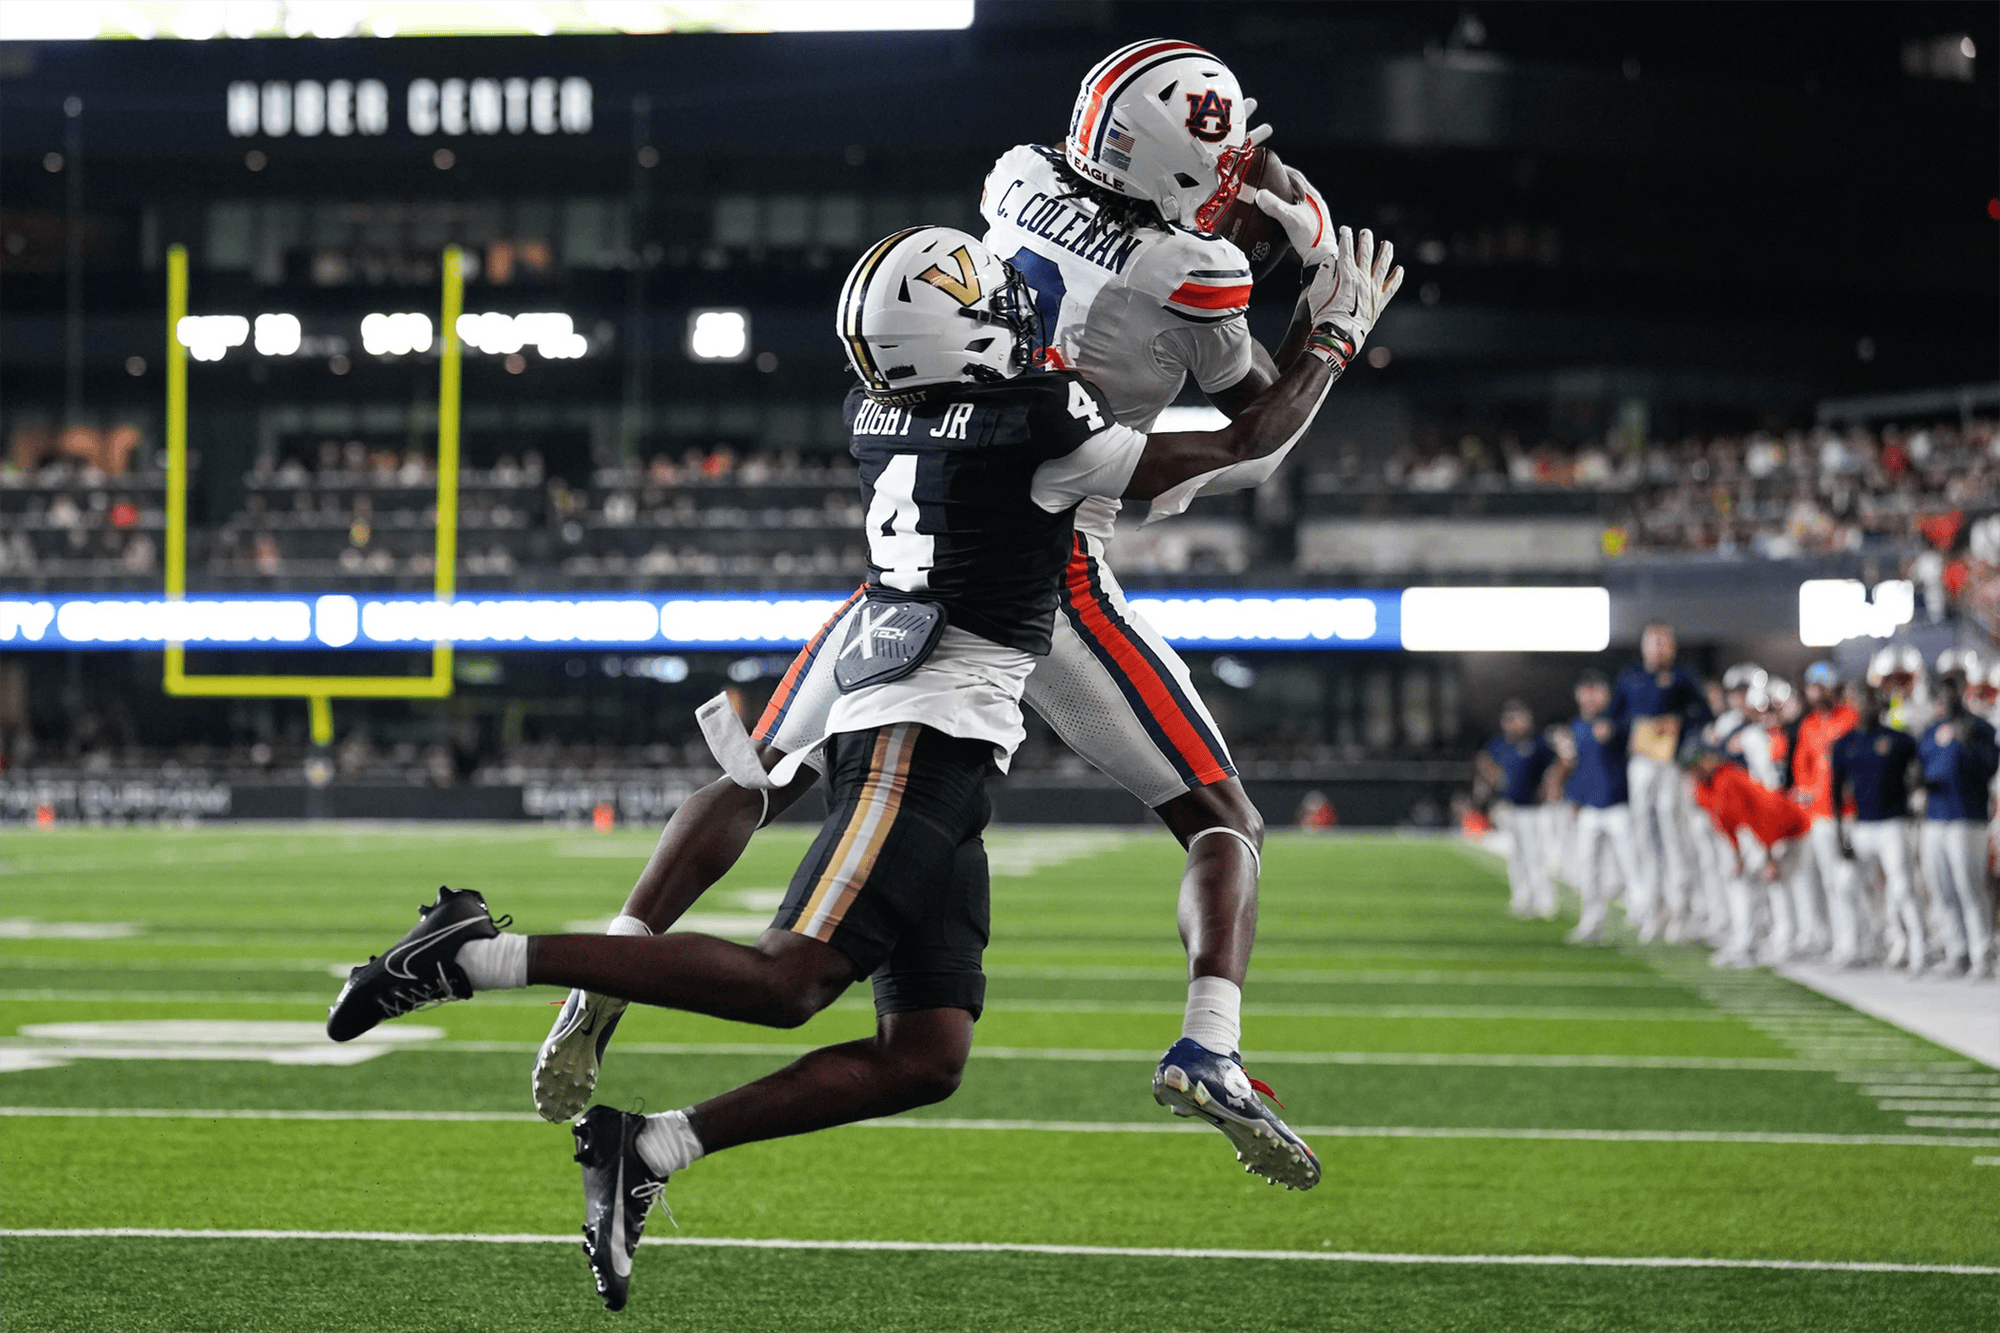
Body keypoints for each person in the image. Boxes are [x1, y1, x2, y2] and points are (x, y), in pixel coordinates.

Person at [326, 223, 1392, 1310]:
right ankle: (469, 957)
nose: (1012, 312)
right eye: (988, 308)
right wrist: (1331, 336)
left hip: (933, 723)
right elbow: (1243, 438)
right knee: (790, 980)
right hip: (913, 735)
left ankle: (647, 1150)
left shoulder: (877, 411)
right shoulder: (1035, 424)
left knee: (925, 1054)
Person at [531, 38, 1402, 1178]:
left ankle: (615, 958)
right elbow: (1253, 417)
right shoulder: (1195, 276)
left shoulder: (1016, 178)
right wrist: (1326, 313)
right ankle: (1211, 1044)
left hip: (935, 514)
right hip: (1053, 545)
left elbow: (1196, 191)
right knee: (1221, 817)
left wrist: (1246, 188)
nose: (1242, 164)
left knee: (757, 771)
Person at [1609, 622, 1714, 941]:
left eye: (1662, 642)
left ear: (1672, 646)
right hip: (1641, 761)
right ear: (1643, 647)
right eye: (1652, 642)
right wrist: (1631, 729)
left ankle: (1683, 910)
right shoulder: (1630, 677)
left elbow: (1705, 713)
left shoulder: (1683, 677)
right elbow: (1614, 717)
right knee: (1643, 835)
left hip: (1669, 763)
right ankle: (1651, 908)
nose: (1657, 648)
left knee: (1674, 832)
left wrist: (1677, 722)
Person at [1684, 744, 1813, 967]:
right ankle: (1751, 943)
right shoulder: (1703, 788)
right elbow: (1725, 825)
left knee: (1776, 886)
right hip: (1763, 833)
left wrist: (1769, 857)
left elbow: (1758, 817)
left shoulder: (1727, 779)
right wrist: (1737, 856)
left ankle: (1776, 943)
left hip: (1784, 828)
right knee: (1748, 885)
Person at [1832, 683, 1928, 973]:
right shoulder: (1844, 743)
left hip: (1893, 824)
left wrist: (1915, 796)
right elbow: (1836, 791)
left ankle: (1917, 949)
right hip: (1862, 825)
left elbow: (1921, 773)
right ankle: (1862, 944)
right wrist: (1840, 834)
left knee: (1901, 888)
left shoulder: (1899, 739)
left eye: (1875, 701)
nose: (1870, 706)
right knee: (1845, 885)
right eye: (1865, 701)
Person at [1916, 670, 1998, 978]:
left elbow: (1989, 769)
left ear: (1961, 693)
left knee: (1970, 886)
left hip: (1967, 816)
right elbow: (1923, 768)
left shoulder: (1980, 728)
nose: (1944, 699)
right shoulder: (1929, 731)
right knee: (1940, 887)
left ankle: (1982, 954)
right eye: (1940, 693)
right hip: (1935, 816)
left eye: (1950, 692)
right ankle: (1957, 951)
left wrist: (1969, 747)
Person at [1558, 670, 1641, 944]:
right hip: (1590, 808)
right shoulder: (1577, 726)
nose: (1590, 697)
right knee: (1587, 869)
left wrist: (1613, 728)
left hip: (1618, 805)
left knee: (1632, 866)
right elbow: (1579, 768)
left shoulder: (1618, 720)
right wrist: (1575, 801)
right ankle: (1592, 922)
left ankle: (1643, 917)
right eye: (1586, 690)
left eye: (1596, 691)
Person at [1792, 660, 1865, 964]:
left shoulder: (1852, 716)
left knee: (1855, 881)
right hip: (1821, 814)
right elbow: (1802, 766)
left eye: (1820, 686)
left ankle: (1867, 940)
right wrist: (1807, 790)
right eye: (1811, 687)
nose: (1814, 693)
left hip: (1851, 812)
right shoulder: (1809, 724)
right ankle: (1844, 942)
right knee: (1832, 882)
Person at [1477, 700, 1559, 919]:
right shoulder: (1499, 743)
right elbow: (1484, 759)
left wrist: (1549, 785)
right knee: (1514, 856)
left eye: (1519, 719)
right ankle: (1521, 898)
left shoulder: (1538, 743)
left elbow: (1556, 764)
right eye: (1511, 720)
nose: (1515, 724)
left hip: (1532, 808)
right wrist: (1492, 776)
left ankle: (1544, 900)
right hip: (1508, 807)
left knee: (1535, 855)